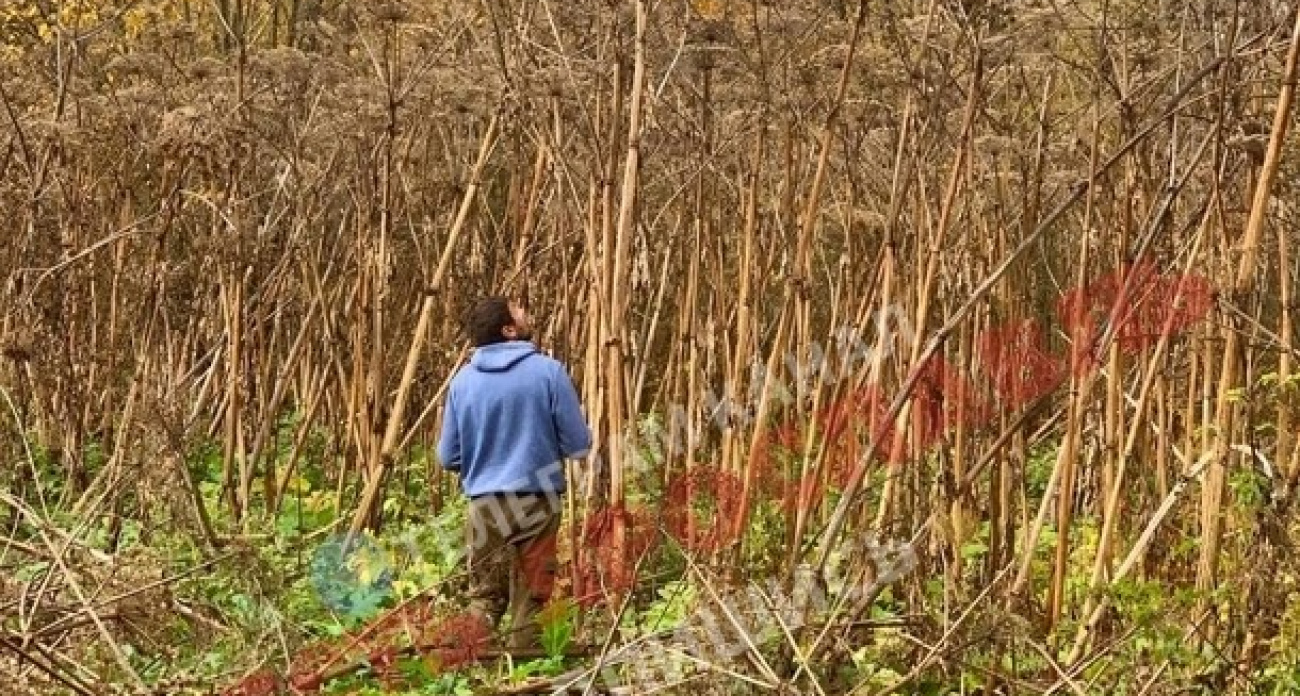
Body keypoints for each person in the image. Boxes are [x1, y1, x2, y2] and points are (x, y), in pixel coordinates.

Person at [437, 296, 592, 649]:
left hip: (484, 506)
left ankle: (471, 659)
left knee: (484, 596)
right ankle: (525, 655)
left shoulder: (463, 382)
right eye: (518, 311)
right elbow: (578, 445)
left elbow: (447, 456)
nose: (525, 312)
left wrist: (484, 459)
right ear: (509, 330)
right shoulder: (549, 373)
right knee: (532, 594)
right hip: (538, 502)